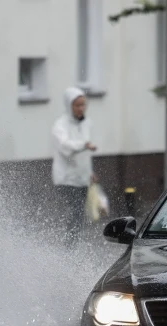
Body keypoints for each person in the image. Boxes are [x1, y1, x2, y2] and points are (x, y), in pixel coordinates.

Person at [51, 86, 97, 247]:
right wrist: (84, 144)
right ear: (69, 106)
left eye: (83, 104)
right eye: (77, 105)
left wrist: (90, 172)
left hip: (82, 178)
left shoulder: (86, 123)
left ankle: (72, 244)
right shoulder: (60, 125)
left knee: (79, 214)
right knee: (75, 212)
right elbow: (65, 148)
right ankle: (67, 246)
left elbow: (85, 153)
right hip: (66, 179)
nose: (81, 108)